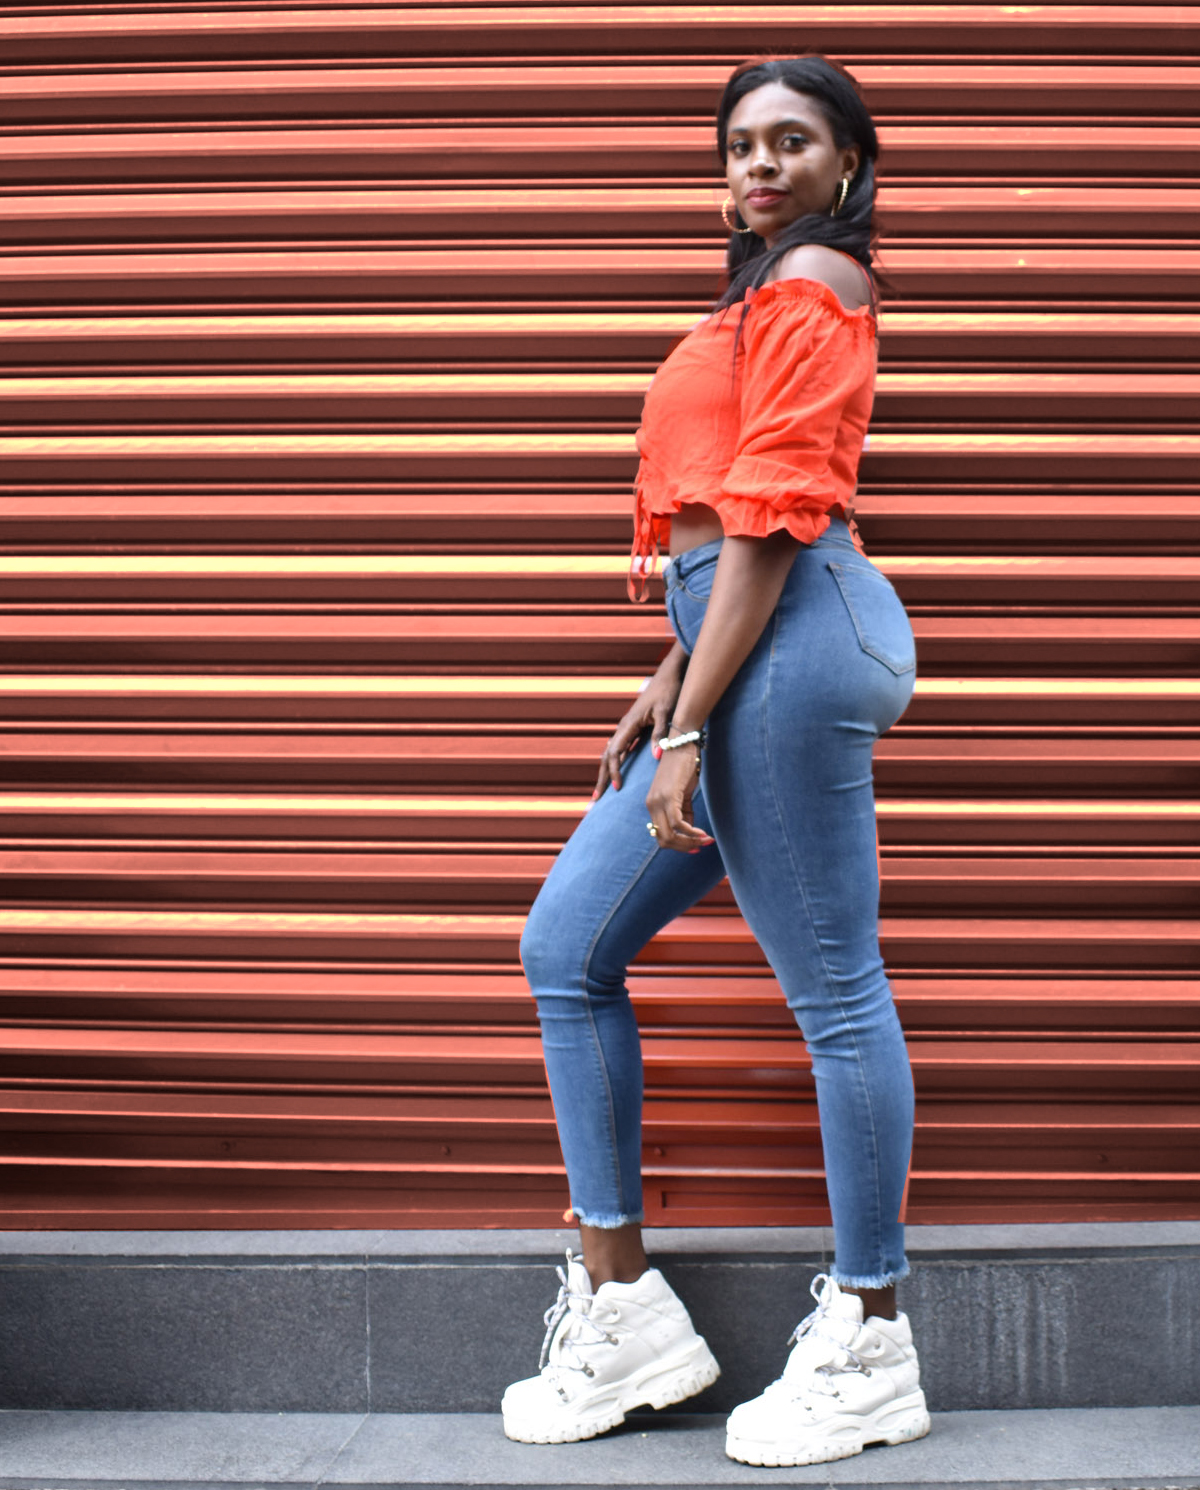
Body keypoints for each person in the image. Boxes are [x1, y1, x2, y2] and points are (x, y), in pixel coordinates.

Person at [501, 55, 930, 1469]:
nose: (759, 163)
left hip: (795, 640)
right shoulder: (754, 298)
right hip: (746, 638)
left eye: (792, 140)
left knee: (836, 993)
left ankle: (870, 1339)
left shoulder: (818, 277)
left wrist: (692, 715)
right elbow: (725, 524)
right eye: (739, 144)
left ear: (849, 164)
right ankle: (626, 1307)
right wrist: (672, 670)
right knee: (566, 946)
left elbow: (775, 512)